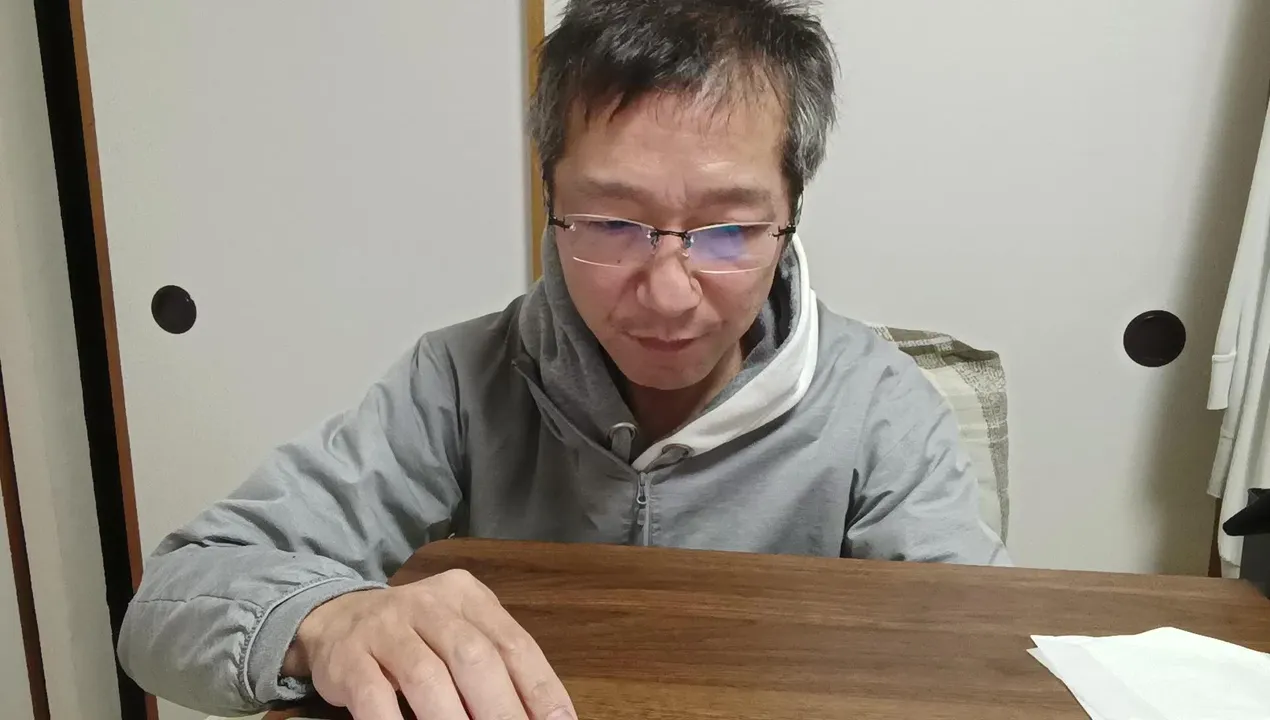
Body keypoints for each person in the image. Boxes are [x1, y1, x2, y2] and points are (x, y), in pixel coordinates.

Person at [118, 1, 1009, 718]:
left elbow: (978, 657)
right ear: (549, 196)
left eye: (729, 228)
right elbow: (170, 601)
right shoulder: (459, 380)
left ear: (790, 215)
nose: (668, 293)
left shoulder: (880, 403)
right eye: (612, 222)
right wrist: (329, 619)